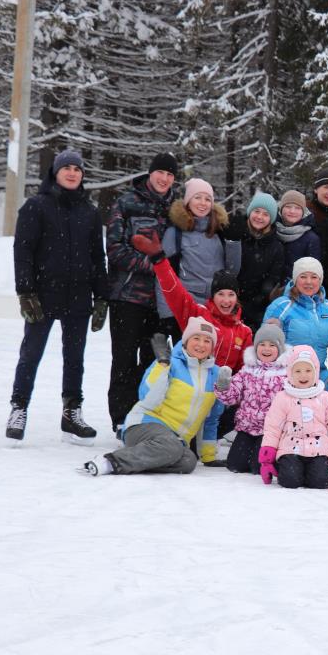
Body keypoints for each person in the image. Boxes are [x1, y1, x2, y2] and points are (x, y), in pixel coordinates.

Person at [7, 149, 109, 443]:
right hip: (43, 295)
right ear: (56, 171)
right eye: (67, 168)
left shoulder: (89, 212)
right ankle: (19, 408)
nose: (73, 173)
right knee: (31, 354)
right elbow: (22, 251)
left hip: (78, 296)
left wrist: (101, 296)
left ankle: (71, 413)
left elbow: (96, 257)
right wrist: (25, 291)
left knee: (75, 358)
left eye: (77, 169)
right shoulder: (36, 206)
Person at [132, 231, 253, 463]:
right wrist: (159, 260)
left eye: (231, 295)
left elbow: (243, 372)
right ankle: (160, 434)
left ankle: (205, 443)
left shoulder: (244, 332)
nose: (226, 300)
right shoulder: (199, 315)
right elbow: (174, 291)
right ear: (212, 296)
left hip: (214, 398)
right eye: (221, 294)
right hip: (186, 393)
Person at [82, 319, 230, 476]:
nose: (201, 344)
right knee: (172, 447)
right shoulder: (170, 362)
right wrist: (162, 367)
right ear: (186, 341)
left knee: (188, 461)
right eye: (196, 338)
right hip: (145, 424)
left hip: (175, 440)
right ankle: (111, 462)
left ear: (213, 346)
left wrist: (208, 456)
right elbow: (148, 399)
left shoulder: (215, 374)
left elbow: (211, 419)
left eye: (207, 341)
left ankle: (144, 456)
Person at [105, 151, 179, 432]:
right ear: (151, 173)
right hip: (127, 297)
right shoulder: (126, 203)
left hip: (161, 301)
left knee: (154, 362)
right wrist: (154, 265)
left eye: (170, 175)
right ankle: (121, 418)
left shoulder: (176, 208)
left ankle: (146, 413)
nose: (164, 179)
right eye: (161, 172)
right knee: (123, 359)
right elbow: (115, 250)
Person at [258, 346, 328, 489]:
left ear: (316, 371)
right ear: (290, 372)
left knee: (321, 482)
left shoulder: (325, 397)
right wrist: (267, 456)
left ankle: (310, 472)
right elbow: (273, 427)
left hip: (319, 450)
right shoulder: (283, 397)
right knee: (290, 481)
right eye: (298, 371)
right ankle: (292, 470)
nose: (303, 375)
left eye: (308, 370)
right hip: (290, 449)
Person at [262, 257, 328, 403]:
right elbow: (266, 343)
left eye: (314, 277)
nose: (308, 282)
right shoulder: (281, 306)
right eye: (303, 276)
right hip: (286, 374)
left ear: (320, 280)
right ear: (295, 279)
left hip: (318, 374)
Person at [158, 178, 238, 337]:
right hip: (186, 308)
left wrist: (234, 242)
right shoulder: (175, 234)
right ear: (188, 201)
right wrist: (167, 314)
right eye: (198, 197)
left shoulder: (219, 232)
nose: (203, 203)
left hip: (216, 309)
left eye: (208, 199)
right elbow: (164, 276)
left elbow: (232, 271)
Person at [215, 323, 290, 475]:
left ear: (280, 349)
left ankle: (275, 456)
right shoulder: (247, 370)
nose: (266, 349)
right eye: (262, 344)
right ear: (256, 347)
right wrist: (224, 387)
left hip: (270, 431)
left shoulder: (285, 374)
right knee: (235, 465)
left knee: (258, 467)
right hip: (247, 428)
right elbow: (232, 396)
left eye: (271, 345)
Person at [226, 191, 285, 331]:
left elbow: (273, 277)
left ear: (271, 219)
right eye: (256, 211)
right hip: (231, 302)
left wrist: (261, 297)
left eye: (266, 214)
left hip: (258, 308)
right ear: (250, 211)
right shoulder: (237, 233)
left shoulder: (276, 246)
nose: (259, 217)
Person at [274, 189, 322, 281]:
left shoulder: (311, 239)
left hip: (295, 290)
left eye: (297, 208)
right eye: (288, 206)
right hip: (270, 288)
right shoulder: (272, 231)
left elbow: (313, 273)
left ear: (303, 212)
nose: (292, 211)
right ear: (281, 209)